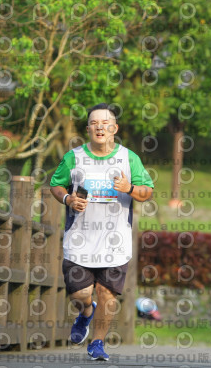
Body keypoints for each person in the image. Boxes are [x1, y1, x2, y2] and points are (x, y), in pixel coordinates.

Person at [50, 103, 154, 361]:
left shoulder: (129, 158)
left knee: (108, 294)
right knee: (81, 293)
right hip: (79, 240)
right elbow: (55, 185)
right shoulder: (74, 157)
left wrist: (129, 188)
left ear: (114, 128)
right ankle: (86, 312)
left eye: (105, 123)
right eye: (94, 123)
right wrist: (68, 200)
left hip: (114, 243)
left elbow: (147, 191)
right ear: (88, 129)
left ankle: (97, 343)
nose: (100, 127)